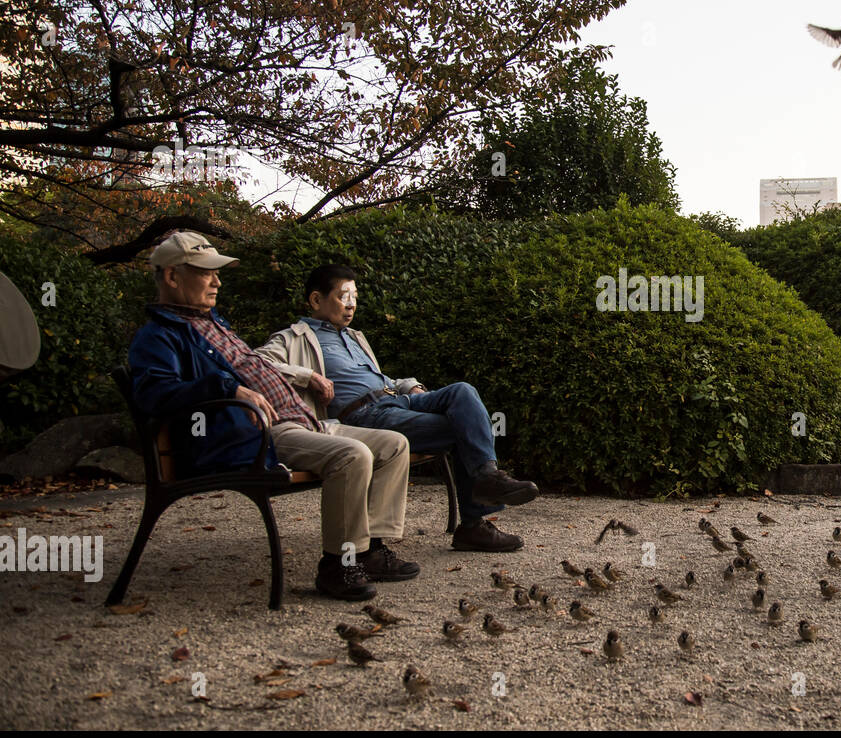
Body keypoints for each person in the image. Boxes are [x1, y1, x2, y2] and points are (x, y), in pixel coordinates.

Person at [127, 232, 417, 602]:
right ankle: (337, 567)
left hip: (302, 419)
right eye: (205, 272)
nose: (217, 281)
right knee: (351, 455)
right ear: (171, 277)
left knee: (394, 444)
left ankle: (369, 550)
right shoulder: (160, 336)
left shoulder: (214, 324)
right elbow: (153, 394)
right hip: (261, 433)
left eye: (217, 273)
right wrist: (227, 388)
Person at [255, 263, 539, 553]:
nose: (352, 306)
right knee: (466, 430)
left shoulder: (354, 338)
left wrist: (409, 386)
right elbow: (255, 363)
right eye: (344, 297)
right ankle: (473, 524)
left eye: (355, 297)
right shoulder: (293, 338)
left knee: (463, 392)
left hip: (398, 399)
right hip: (363, 417)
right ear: (316, 300)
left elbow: (380, 380)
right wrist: (309, 376)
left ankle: (486, 477)